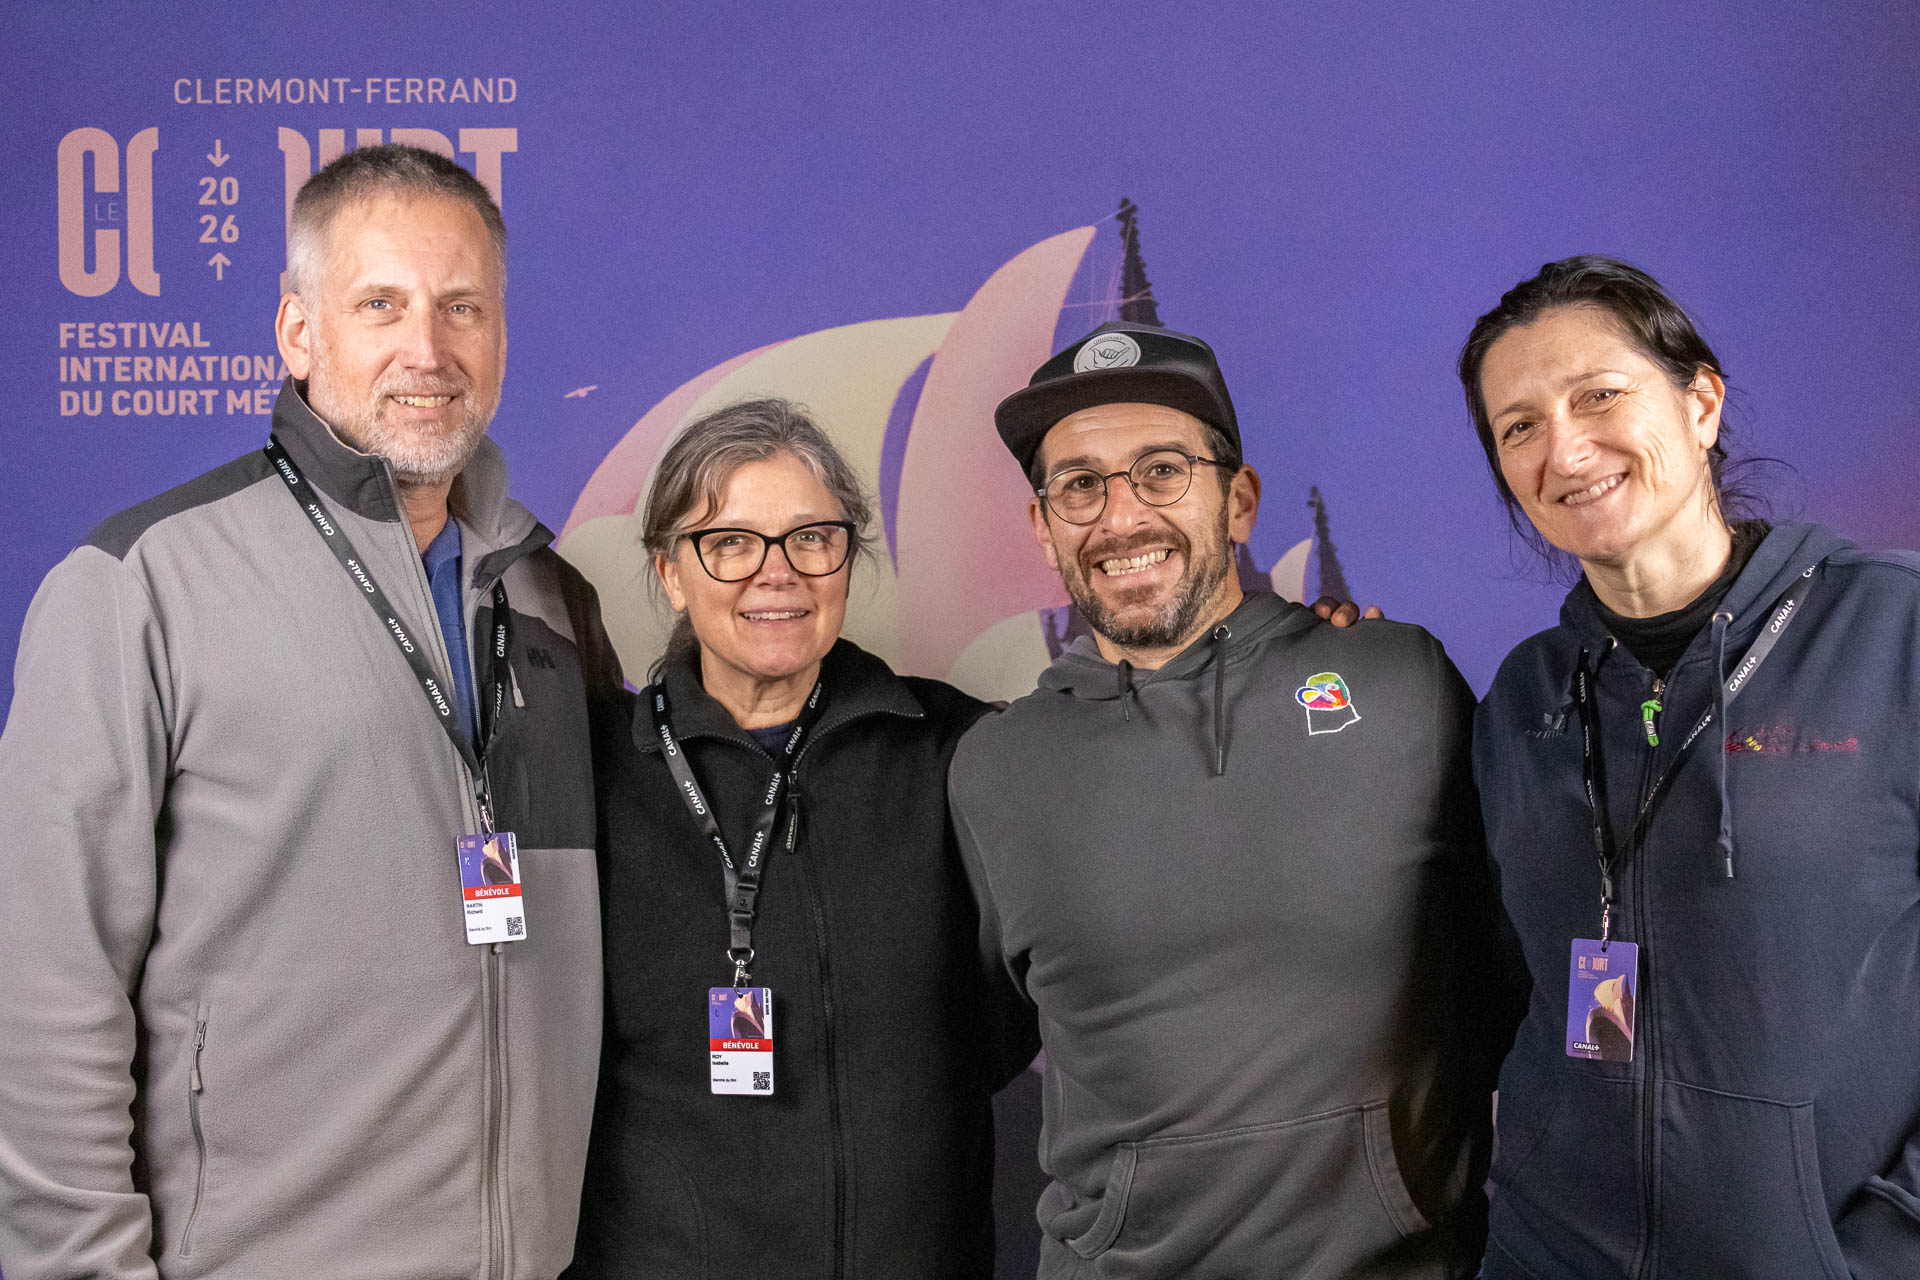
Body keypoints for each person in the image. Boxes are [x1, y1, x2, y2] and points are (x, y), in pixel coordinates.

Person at [0, 144, 618, 1278]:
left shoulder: (549, 597)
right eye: (380, 304)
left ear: (500, 336)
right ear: (297, 331)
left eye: (462, 307)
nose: (427, 348)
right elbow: (42, 993)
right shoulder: (139, 586)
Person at [948, 321, 1513, 1278]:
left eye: (1161, 471)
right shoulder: (995, 766)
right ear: (1044, 529)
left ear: (1239, 500)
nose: (1121, 516)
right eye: (1079, 485)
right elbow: (987, 1033)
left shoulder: (1397, 683)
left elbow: (1500, 976)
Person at [1461, 254, 1920, 1279]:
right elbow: (1498, 985)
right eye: (1519, 426)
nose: (1565, 448)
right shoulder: (1526, 696)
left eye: (1599, 395)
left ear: (1702, 402)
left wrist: (1889, 1245)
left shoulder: (1893, 628)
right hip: (1549, 1253)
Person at [567, 398, 1038, 1279]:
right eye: (731, 542)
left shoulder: (954, 751)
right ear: (671, 572)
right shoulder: (590, 778)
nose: (776, 573)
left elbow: (1026, 1011)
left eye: (812, 538)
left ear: (846, 558)